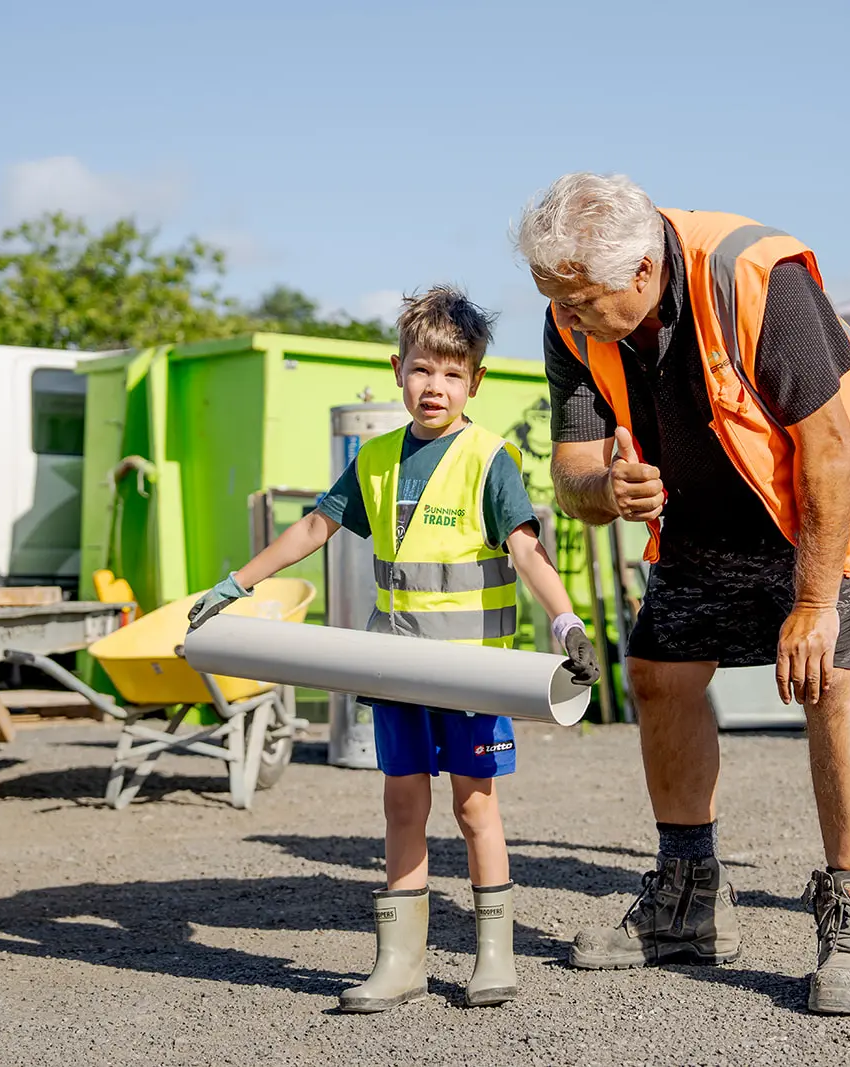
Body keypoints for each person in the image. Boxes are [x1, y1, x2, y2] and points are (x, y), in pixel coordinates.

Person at [515, 172, 850, 1015]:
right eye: (556, 299)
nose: (569, 316)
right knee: (660, 670)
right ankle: (688, 901)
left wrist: (813, 605)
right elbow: (572, 472)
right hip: (714, 507)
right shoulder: (571, 310)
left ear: (641, 274)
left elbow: (825, 447)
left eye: (583, 300)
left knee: (831, 673)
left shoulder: (756, 275)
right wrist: (610, 489)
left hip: (843, 490)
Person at [186, 286, 601, 1011]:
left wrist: (567, 624)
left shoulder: (489, 458)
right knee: (402, 806)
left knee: (476, 809)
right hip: (399, 672)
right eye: (421, 369)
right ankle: (400, 962)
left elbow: (529, 554)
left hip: (473, 676)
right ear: (397, 368)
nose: (434, 386)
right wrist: (237, 582)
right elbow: (313, 529)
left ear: (475, 381)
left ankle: (493, 956)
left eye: (451, 373)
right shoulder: (375, 460)